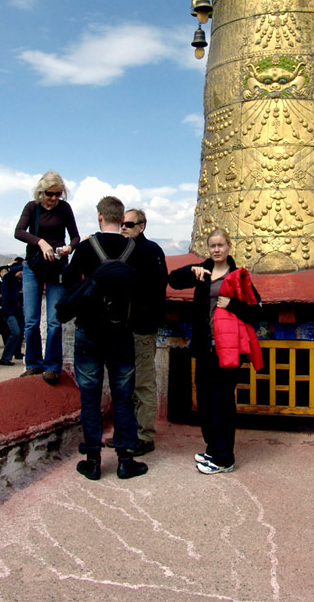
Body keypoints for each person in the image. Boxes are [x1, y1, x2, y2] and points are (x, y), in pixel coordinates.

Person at [63, 196, 148, 481]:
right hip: (121, 332)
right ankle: (126, 460)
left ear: (100, 217)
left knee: (89, 396)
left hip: (89, 331)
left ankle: (93, 460)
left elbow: (69, 284)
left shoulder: (87, 247)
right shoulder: (133, 248)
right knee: (124, 397)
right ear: (122, 218)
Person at [167, 228, 262, 474]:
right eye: (212, 246)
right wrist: (190, 271)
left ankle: (224, 458)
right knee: (206, 400)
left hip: (227, 351)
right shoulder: (203, 271)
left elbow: (257, 311)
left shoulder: (238, 276)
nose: (216, 250)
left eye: (221, 245)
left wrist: (233, 305)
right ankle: (213, 448)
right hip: (204, 346)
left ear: (229, 246)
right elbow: (173, 281)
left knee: (222, 402)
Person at [105, 208, 167, 456]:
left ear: (141, 226)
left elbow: (158, 285)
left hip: (142, 326)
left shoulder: (151, 251)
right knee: (123, 384)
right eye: (121, 224)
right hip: (121, 328)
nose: (123, 228)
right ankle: (125, 432)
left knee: (142, 383)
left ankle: (145, 436)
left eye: (129, 224)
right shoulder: (119, 250)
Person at [14, 170, 80, 384]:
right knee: (31, 320)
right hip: (33, 265)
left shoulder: (64, 209)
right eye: (50, 194)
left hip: (57, 266)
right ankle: (33, 364)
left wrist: (69, 247)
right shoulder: (31, 207)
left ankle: (52, 366)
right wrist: (40, 241)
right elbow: (19, 231)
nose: (53, 199)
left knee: (54, 321)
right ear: (41, 193)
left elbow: (75, 236)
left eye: (58, 194)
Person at [0, 263, 24, 366]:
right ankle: (5, 357)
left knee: (20, 332)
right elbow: (12, 272)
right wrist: (22, 265)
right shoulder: (8, 280)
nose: (21, 273)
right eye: (19, 271)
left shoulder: (19, 282)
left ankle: (16, 352)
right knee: (15, 332)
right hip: (8, 311)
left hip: (17, 311)